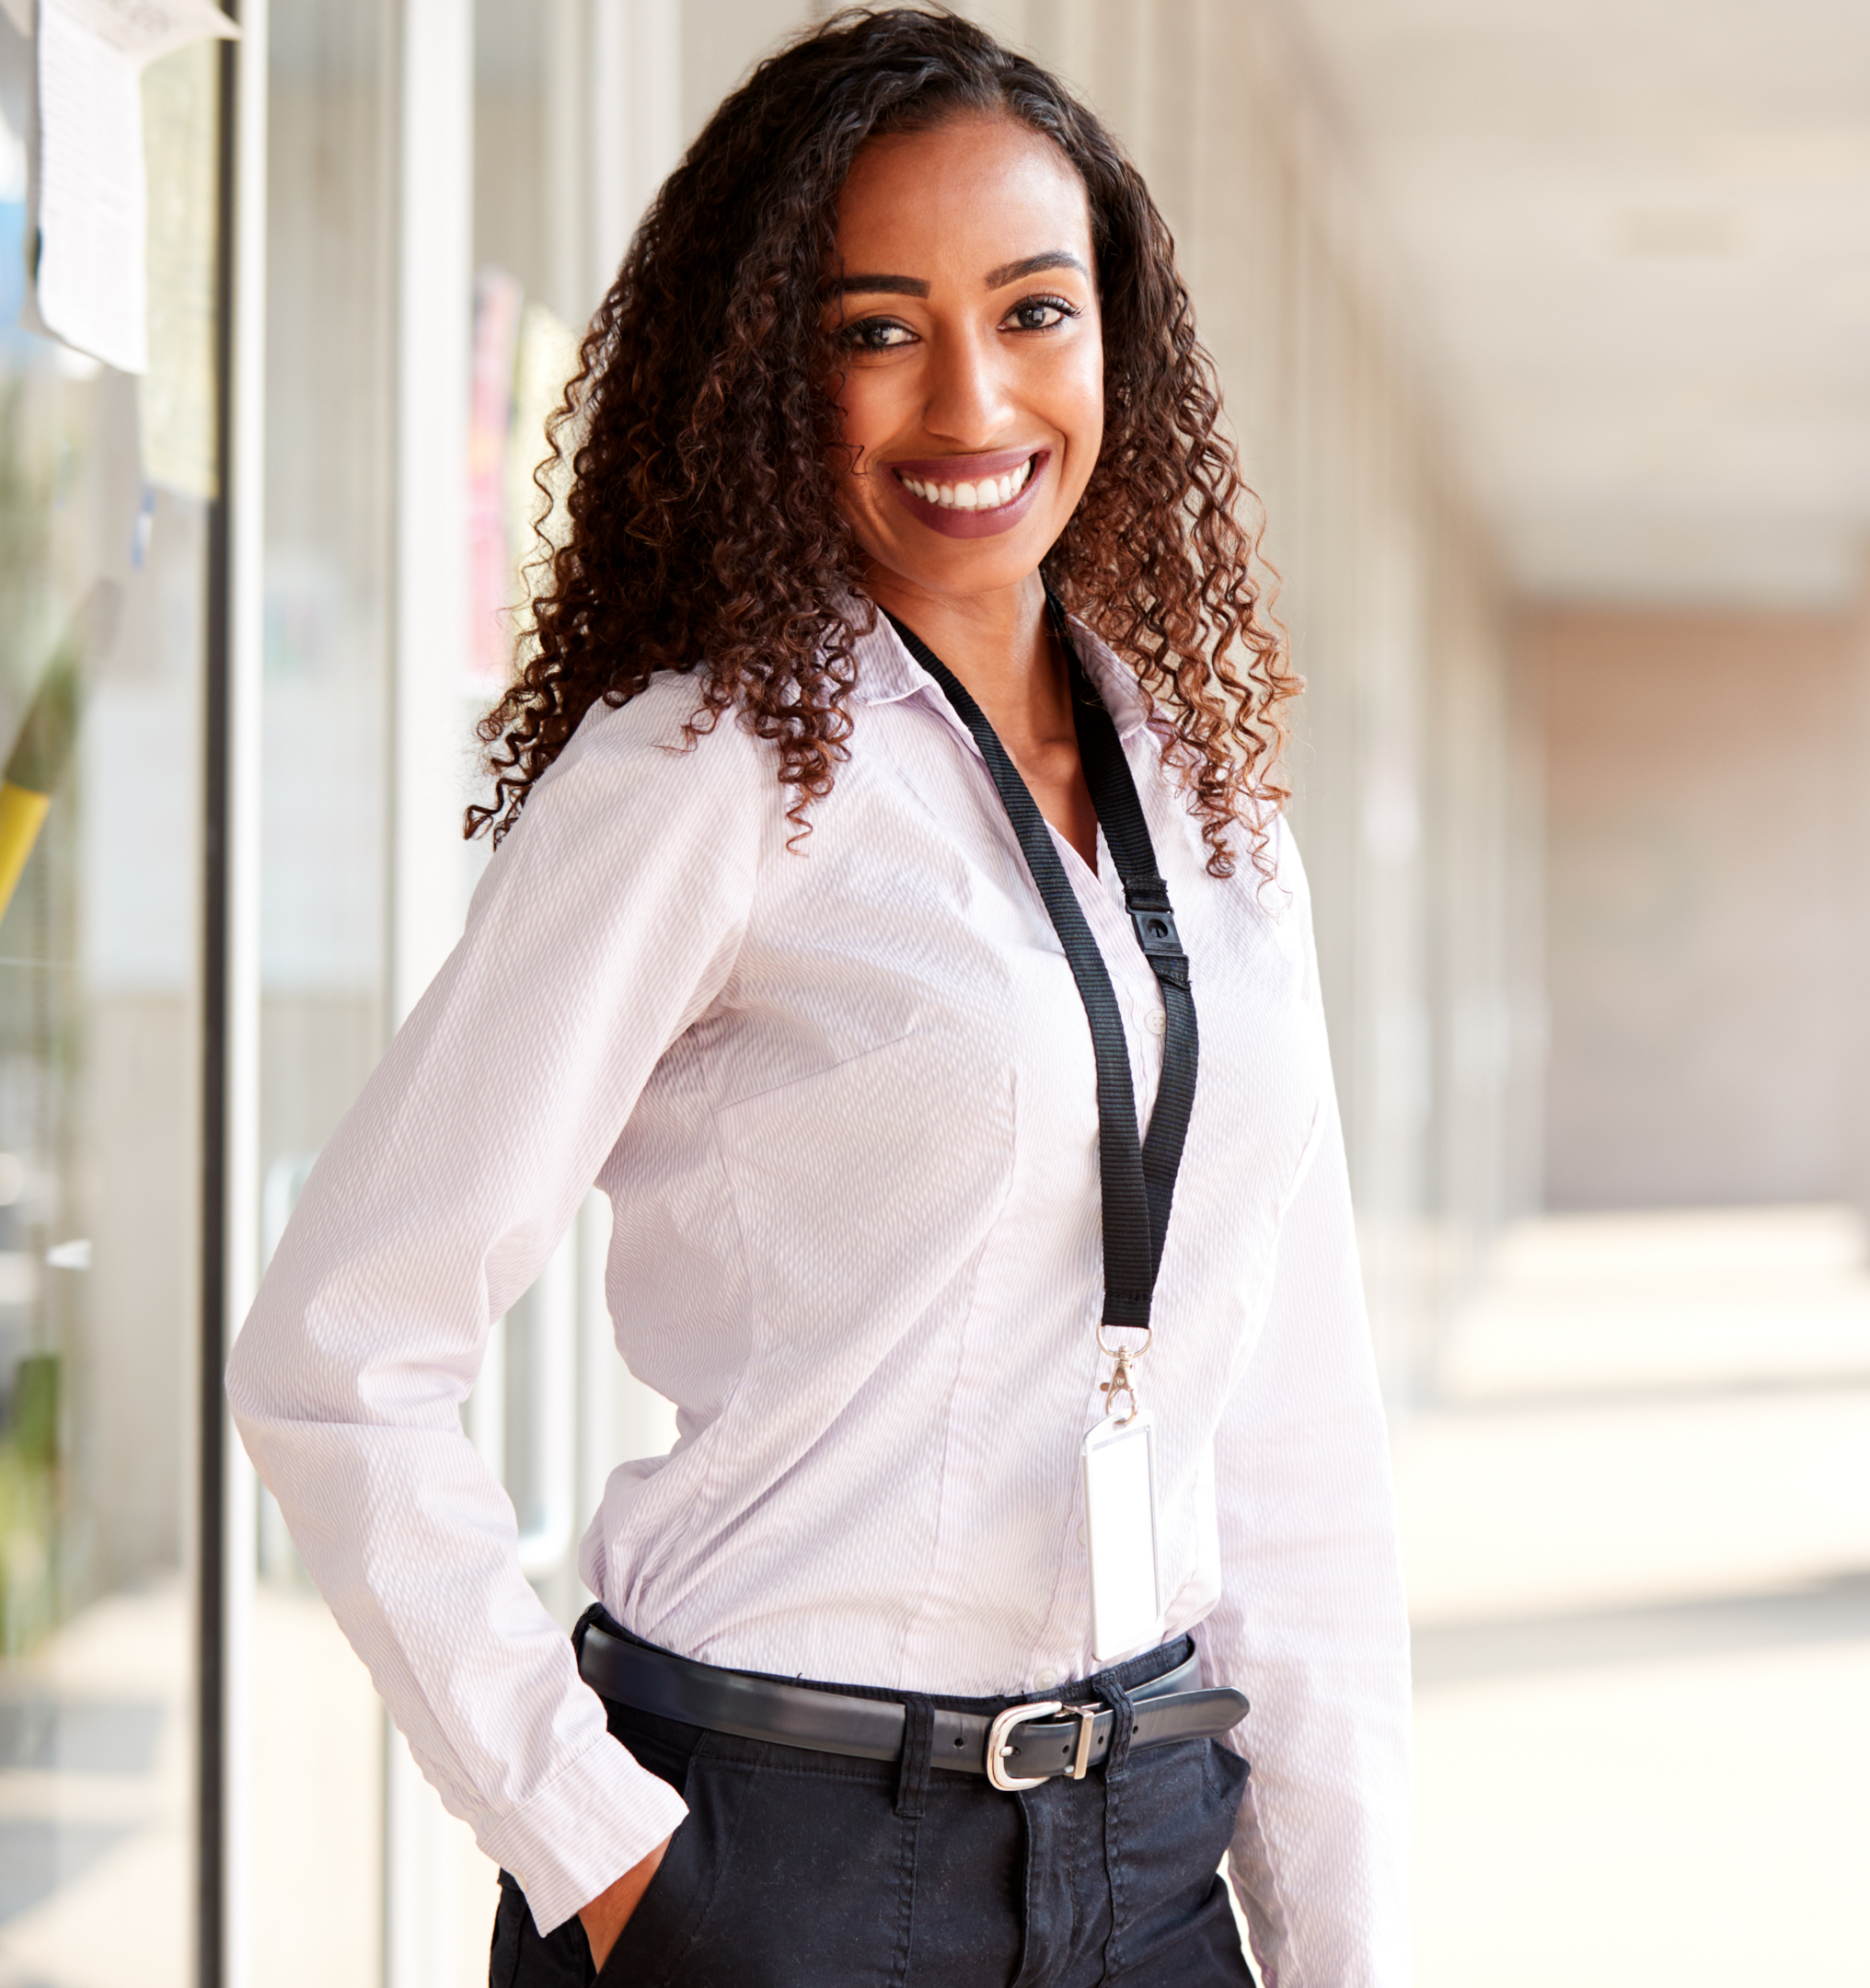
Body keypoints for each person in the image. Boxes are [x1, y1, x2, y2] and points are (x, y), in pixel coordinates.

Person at [225, 11, 1408, 1984]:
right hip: (776, 1865)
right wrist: (600, 1861)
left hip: (1153, 1864)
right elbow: (340, 1353)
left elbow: (1291, 1439)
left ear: (1116, 336)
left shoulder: (1211, 809)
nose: (973, 399)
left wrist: (1346, 1947)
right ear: (775, 371)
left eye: (1035, 312)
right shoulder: (707, 774)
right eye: (878, 329)